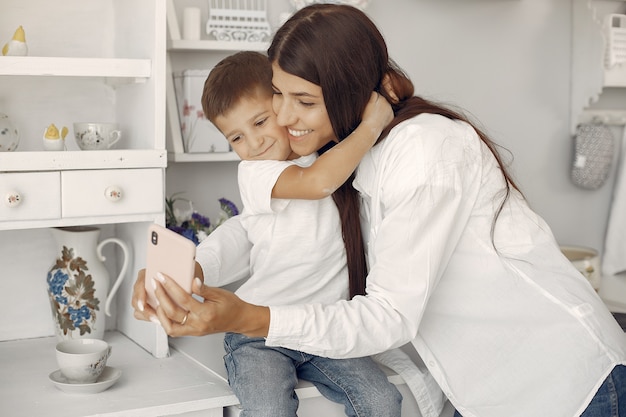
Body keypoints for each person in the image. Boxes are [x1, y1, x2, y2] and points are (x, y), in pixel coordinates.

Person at [134, 4, 626, 417]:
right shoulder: (344, 155)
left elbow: (388, 314)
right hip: (486, 389)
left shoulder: (423, 150)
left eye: (302, 101)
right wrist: (190, 268)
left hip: (566, 387)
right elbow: (256, 227)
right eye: (279, 95)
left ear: (352, 93)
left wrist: (252, 316)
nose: (282, 119)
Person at [148, 50, 402, 417]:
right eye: (236, 137)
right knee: (268, 410)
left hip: (323, 328)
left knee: (381, 401)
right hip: (258, 333)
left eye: (260, 122)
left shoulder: (332, 153)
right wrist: (371, 125)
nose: (252, 144)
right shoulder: (256, 173)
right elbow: (317, 183)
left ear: (283, 105)